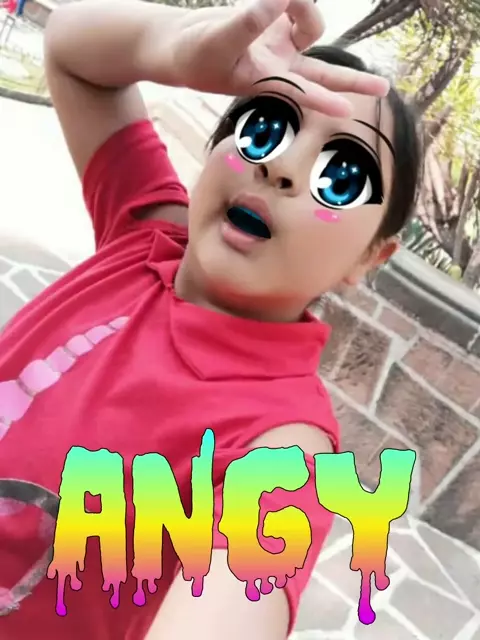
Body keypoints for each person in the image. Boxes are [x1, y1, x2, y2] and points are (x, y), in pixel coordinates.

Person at [0, 0, 421, 638]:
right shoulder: (142, 233)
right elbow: (71, 48)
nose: (279, 166)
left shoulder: (283, 455)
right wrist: (176, 46)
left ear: (369, 257)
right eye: (266, 126)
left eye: (340, 175)